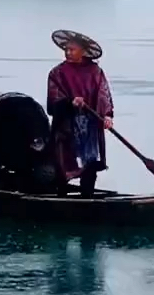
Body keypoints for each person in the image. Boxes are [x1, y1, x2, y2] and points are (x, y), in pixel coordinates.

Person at [47, 29, 114, 197]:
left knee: (89, 163)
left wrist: (107, 115)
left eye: (72, 49)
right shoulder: (57, 73)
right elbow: (53, 102)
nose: (68, 53)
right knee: (62, 164)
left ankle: (87, 197)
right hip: (66, 126)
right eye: (66, 49)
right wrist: (70, 102)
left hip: (90, 126)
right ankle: (61, 198)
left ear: (83, 51)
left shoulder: (95, 72)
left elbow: (103, 94)